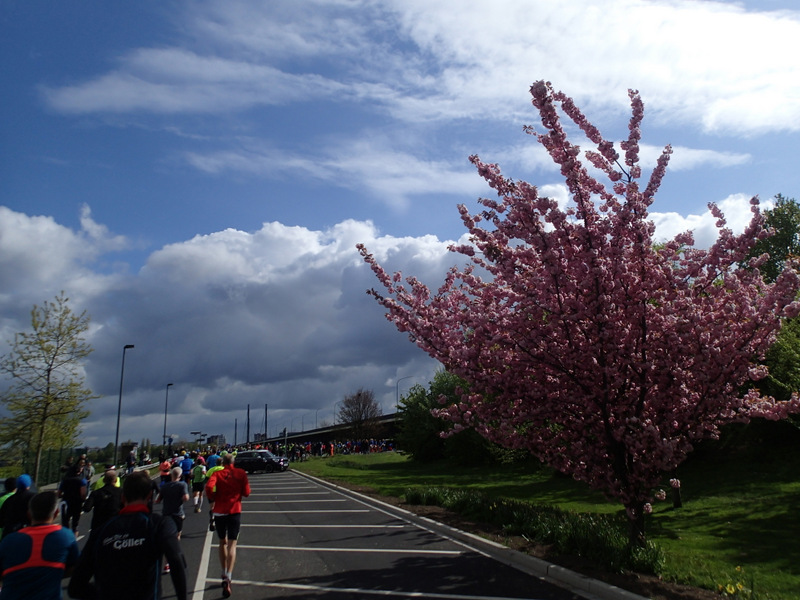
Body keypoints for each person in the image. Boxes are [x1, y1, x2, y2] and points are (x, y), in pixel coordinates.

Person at [68, 471, 187, 600]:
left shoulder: (100, 532)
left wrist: (104, 593)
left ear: (123, 497)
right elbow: (176, 560)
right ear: (149, 496)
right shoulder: (159, 524)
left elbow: (75, 587)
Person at [0, 490, 79, 600]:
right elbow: (75, 567)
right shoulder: (65, 536)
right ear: (56, 513)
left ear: (29, 514)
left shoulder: (8, 540)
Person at [205, 452, 250, 598]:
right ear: (233, 462)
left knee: (221, 542)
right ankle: (228, 576)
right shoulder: (240, 473)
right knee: (232, 544)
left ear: (223, 462)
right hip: (234, 510)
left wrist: (213, 498)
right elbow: (247, 492)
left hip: (219, 511)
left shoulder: (217, 474)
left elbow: (209, 487)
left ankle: (223, 571)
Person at [155, 467, 189, 574]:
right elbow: (186, 498)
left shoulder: (165, 486)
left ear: (171, 475)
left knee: (168, 538)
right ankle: (176, 559)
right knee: (176, 537)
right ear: (180, 475)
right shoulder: (182, 485)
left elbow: (158, 500)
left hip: (166, 514)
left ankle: (166, 563)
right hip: (178, 514)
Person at [81, 470, 122, 535]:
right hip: (115, 525)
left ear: (104, 480)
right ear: (116, 480)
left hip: (98, 526)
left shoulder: (95, 493)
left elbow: (86, 508)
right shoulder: (121, 492)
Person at [57, 467, 87, 534]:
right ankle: (74, 537)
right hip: (77, 503)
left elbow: (59, 493)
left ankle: (65, 536)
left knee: (65, 521)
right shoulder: (82, 480)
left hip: (66, 502)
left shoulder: (65, 480)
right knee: (75, 522)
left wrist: (63, 496)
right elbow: (83, 494)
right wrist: (83, 500)